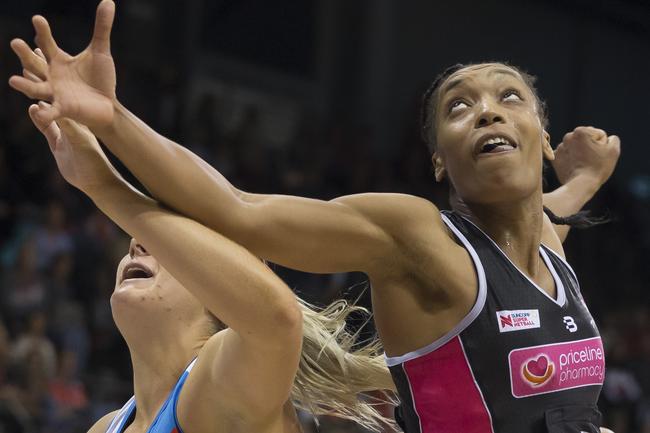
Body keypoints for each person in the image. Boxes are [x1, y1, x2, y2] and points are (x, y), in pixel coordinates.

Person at [9, 1, 621, 432]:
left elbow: (549, 216)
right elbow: (238, 210)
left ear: (542, 135)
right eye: (460, 107)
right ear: (438, 161)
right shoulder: (416, 236)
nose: (488, 111)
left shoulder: (547, 253)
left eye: (508, 97)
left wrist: (586, 178)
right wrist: (113, 121)